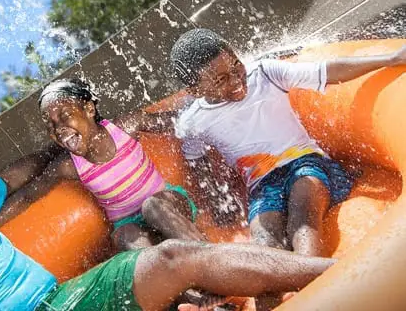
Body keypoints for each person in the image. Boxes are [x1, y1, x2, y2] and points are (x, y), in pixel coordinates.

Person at [0, 133, 336, 311]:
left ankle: (333, 272)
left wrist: (57, 149)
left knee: (171, 256)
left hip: (67, 299)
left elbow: (12, 178)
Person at [169, 28, 406, 309]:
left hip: (308, 163)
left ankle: (319, 294)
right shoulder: (192, 122)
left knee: (302, 214)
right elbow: (196, 161)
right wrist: (217, 202)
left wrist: (391, 58)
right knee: (265, 241)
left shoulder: (265, 75)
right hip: (263, 187)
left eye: (235, 66)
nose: (235, 80)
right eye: (221, 80)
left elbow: (327, 71)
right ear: (195, 91)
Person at [0, 77, 207, 252]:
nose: (58, 128)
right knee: (124, 236)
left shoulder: (126, 127)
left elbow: (181, 122)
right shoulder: (68, 166)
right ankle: (182, 287)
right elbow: (27, 196)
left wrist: (208, 100)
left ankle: (207, 257)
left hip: (169, 206)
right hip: (131, 226)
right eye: (50, 125)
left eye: (65, 116)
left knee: (152, 206)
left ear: (89, 109)